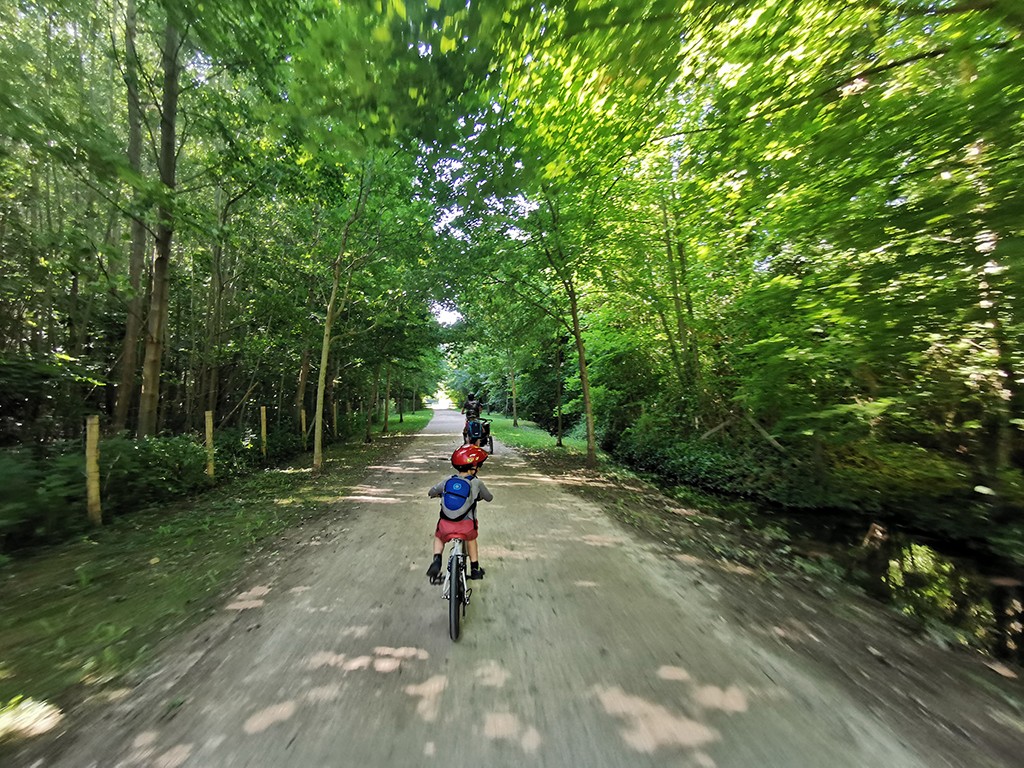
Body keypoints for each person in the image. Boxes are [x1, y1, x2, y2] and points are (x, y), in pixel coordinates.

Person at [426, 444, 492, 582]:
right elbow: (489, 497)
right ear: (473, 467)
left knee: (439, 537)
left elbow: (432, 491)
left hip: (446, 526)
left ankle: (437, 560)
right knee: (471, 539)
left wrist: (436, 494)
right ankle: (475, 568)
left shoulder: (448, 481)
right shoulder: (476, 483)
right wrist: (478, 496)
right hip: (466, 527)